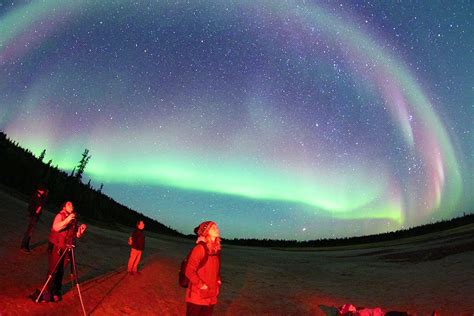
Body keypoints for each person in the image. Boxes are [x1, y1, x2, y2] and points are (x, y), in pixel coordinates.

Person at [36, 201, 87, 302]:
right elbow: (56, 227)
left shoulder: (73, 219)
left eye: (72, 204)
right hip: (57, 246)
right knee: (53, 269)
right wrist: (68, 219)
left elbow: (77, 235)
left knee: (61, 271)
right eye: (69, 204)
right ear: (64, 207)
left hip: (67, 248)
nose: (71, 205)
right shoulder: (60, 216)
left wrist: (81, 230)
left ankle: (56, 291)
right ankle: (48, 292)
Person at [185, 221, 222, 316]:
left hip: (211, 296)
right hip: (197, 296)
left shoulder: (216, 250)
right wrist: (201, 285)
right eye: (213, 227)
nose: (217, 229)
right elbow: (189, 271)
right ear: (206, 231)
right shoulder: (199, 249)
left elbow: (215, 270)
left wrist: (218, 281)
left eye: (216, 227)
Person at [21, 185, 49, 253]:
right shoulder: (37, 196)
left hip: (33, 216)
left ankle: (26, 246)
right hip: (34, 216)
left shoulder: (37, 195)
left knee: (30, 231)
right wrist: (36, 214)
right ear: (42, 190)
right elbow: (39, 206)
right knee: (29, 232)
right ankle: (24, 246)